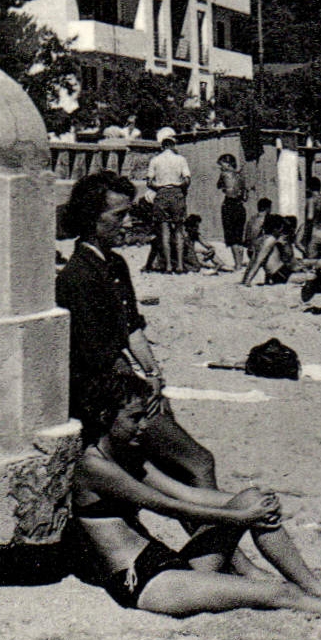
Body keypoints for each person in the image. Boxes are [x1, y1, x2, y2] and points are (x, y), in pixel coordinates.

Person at [70, 371, 321, 621]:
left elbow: (188, 494)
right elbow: (169, 507)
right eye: (135, 418)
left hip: (167, 563)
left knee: (250, 498)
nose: (144, 426)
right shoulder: (93, 467)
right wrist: (239, 518)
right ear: (105, 418)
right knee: (279, 593)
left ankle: (318, 590)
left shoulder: (128, 456)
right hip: (145, 583)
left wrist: (253, 502)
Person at [57, 171, 217, 490]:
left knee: (182, 469)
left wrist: (155, 376)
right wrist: (142, 390)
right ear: (92, 218)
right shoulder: (79, 277)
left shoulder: (115, 265)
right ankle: (216, 537)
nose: (128, 223)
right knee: (199, 462)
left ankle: (210, 533)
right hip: (105, 395)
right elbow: (99, 356)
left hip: (126, 384)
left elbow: (132, 328)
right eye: (119, 215)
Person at [145, 129, 192, 274]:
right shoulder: (180, 159)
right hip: (176, 193)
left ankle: (168, 266)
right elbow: (187, 180)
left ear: (162, 146)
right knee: (178, 230)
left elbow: (149, 182)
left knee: (164, 231)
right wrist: (178, 185)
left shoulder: (155, 160)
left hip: (161, 193)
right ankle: (179, 265)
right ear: (173, 145)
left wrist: (159, 186)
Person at [216, 154, 249, 271]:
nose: (220, 167)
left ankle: (238, 264)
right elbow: (245, 196)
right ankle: (239, 262)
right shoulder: (241, 176)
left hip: (229, 205)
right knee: (239, 236)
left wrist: (225, 188)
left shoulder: (224, 174)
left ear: (228, 163)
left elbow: (219, 186)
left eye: (222, 164)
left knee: (232, 237)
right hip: (240, 207)